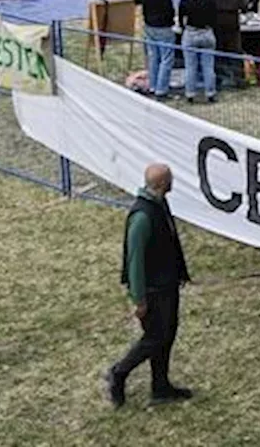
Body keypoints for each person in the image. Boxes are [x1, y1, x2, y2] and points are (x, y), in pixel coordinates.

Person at [106, 163, 193, 409]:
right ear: (163, 183)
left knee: (167, 335)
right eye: (170, 178)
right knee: (155, 337)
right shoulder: (143, 216)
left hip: (167, 285)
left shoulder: (158, 204)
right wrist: (139, 299)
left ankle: (161, 386)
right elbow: (135, 261)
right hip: (154, 291)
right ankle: (119, 372)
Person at [134, 0, 176, 99]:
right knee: (166, 57)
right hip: (163, 24)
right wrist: (172, 20)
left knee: (153, 56)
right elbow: (168, 5)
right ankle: (162, 89)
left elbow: (137, 0)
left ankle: (152, 85)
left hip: (148, 22)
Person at [202, 0, 246, 80]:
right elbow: (243, 2)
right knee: (235, 48)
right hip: (232, 17)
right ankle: (238, 77)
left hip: (216, 17)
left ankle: (219, 77)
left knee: (218, 48)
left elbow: (205, 1)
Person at [178, 0, 218, 104]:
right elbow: (214, 19)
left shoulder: (184, 1)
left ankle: (190, 93)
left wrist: (184, 28)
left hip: (191, 33)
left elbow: (181, 20)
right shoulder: (209, 1)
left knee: (190, 66)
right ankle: (210, 93)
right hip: (206, 33)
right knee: (208, 66)